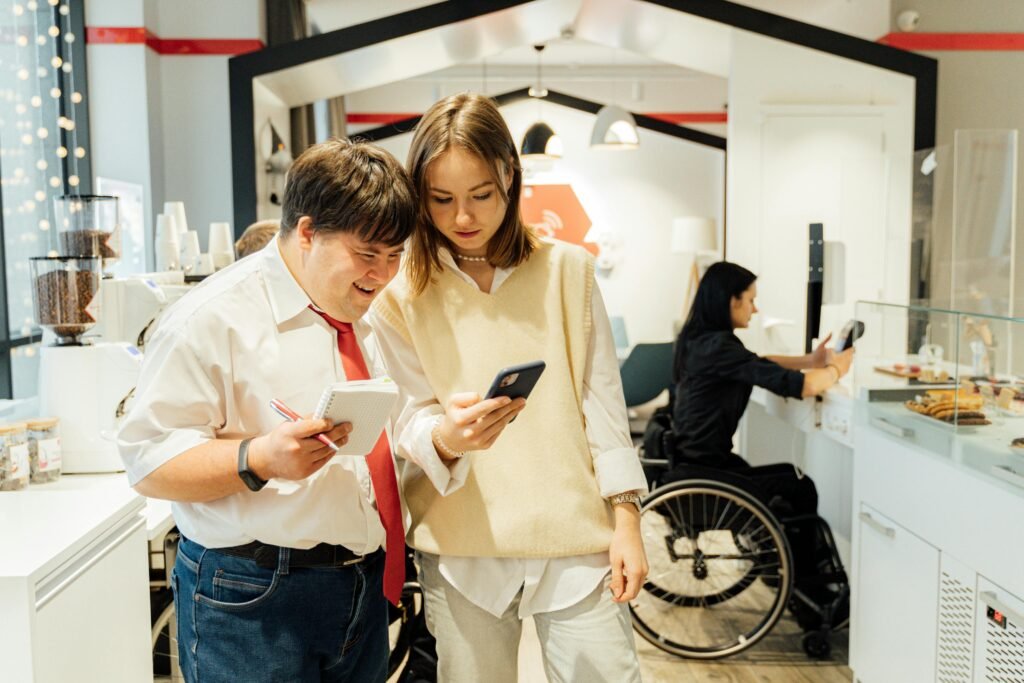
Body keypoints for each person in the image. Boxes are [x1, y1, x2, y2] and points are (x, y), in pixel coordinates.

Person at [372, 93, 648, 683]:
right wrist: (445, 436)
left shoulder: (570, 271)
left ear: (510, 179)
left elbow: (602, 406)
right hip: (462, 541)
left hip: (577, 538)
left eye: (481, 196)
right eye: (441, 200)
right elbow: (405, 418)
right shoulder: (400, 294)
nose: (462, 217)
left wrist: (627, 521)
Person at [118, 138, 416, 683]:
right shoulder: (210, 319)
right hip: (251, 595)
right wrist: (257, 458)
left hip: (361, 586)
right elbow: (147, 463)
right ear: (307, 232)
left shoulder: (364, 310)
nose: (382, 273)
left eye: (396, 255)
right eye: (367, 253)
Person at [670, 260, 853, 595]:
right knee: (798, 487)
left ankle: (792, 578)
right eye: (751, 300)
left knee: (789, 479)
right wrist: (836, 370)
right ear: (731, 301)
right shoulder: (719, 347)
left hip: (693, 461)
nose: (756, 309)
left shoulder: (700, 340)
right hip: (707, 468)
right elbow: (799, 386)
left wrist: (809, 362)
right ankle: (809, 590)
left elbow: (756, 361)